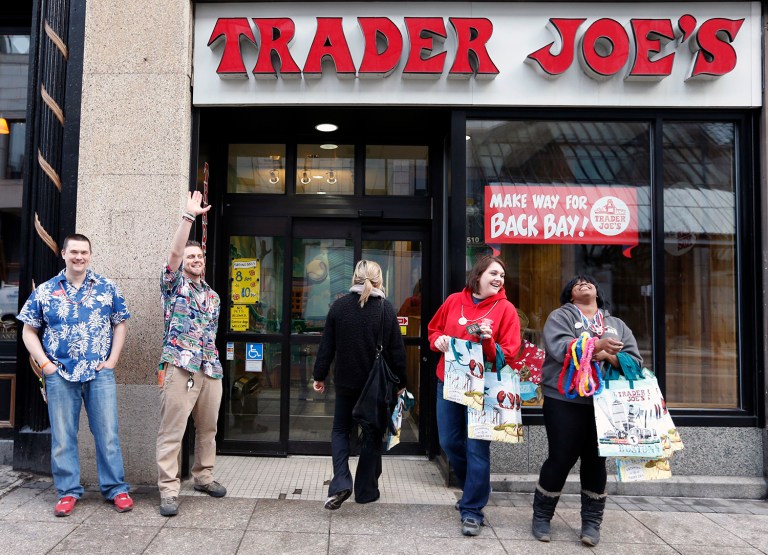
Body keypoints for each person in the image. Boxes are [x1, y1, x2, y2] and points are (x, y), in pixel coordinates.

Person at [17, 234, 133, 516]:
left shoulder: (107, 288)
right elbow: (28, 330)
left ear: (90, 255)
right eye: (74, 252)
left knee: (107, 434)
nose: (79, 257)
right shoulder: (45, 291)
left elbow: (120, 324)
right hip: (60, 374)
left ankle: (116, 489)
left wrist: (112, 360)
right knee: (63, 436)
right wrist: (45, 364)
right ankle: (67, 492)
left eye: (84, 252)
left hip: (99, 373)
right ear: (64, 254)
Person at [532, 275, 642, 546]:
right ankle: (542, 516)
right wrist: (595, 347)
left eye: (588, 282)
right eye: (576, 283)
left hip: (606, 404)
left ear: (597, 293)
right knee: (560, 458)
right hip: (564, 400)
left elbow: (636, 363)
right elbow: (559, 349)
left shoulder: (616, 325)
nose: (583, 283)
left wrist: (609, 356)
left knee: (596, 461)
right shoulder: (561, 317)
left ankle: (592, 523)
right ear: (570, 295)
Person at [428, 255, 521, 536]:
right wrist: (439, 341)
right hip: (450, 382)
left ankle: (472, 510)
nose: (499, 279)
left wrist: (487, 340)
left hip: (485, 388)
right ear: (478, 275)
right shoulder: (455, 300)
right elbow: (434, 331)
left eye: (502, 276)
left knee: (477, 448)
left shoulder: (506, 310)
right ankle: (477, 487)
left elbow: (509, 355)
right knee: (449, 441)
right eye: (494, 273)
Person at [312, 260, 407, 510]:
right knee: (372, 435)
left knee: (341, 430)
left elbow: (327, 347)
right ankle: (365, 491)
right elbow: (397, 352)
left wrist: (319, 376)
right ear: (380, 279)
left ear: (354, 278)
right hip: (375, 387)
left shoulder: (339, 307)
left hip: (346, 384)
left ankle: (341, 481)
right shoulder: (385, 310)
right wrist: (402, 383)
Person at [156, 191, 226, 517]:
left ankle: (203, 476)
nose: (196, 260)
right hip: (181, 366)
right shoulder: (173, 285)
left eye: (199, 256)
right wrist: (189, 217)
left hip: (210, 368)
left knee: (208, 429)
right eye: (191, 256)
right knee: (173, 431)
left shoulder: (213, 296)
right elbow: (172, 253)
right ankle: (169, 491)